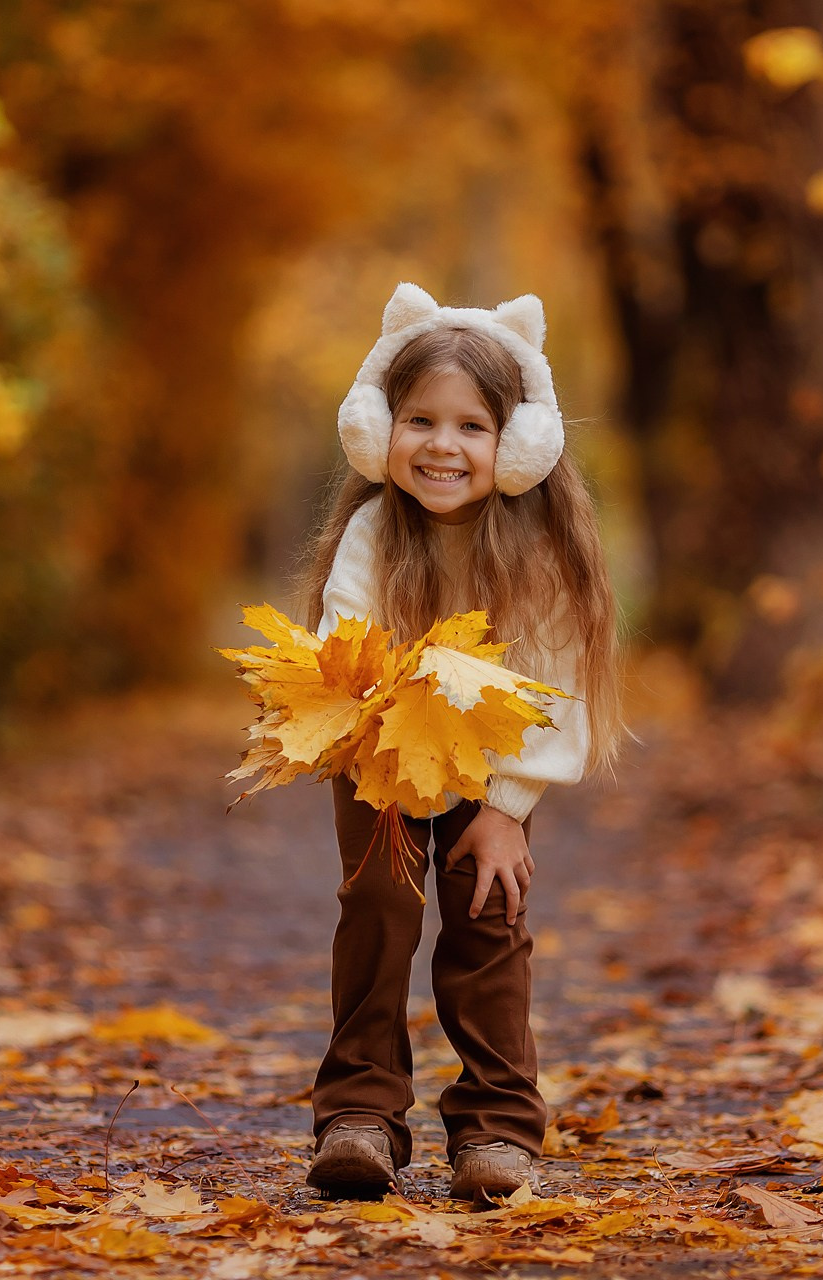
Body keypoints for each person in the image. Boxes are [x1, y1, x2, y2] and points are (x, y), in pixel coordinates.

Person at [292, 282, 623, 1203]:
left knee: (488, 922)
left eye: (473, 427)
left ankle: (497, 1125)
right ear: (378, 429)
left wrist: (507, 810)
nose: (444, 446)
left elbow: (552, 688)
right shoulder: (371, 531)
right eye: (421, 420)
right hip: (382, 756)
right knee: (379, 914)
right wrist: (378, 760)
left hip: (492, 762)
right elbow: (344, 654)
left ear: (518, 445)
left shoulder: (539, 554)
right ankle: (359, 1113)